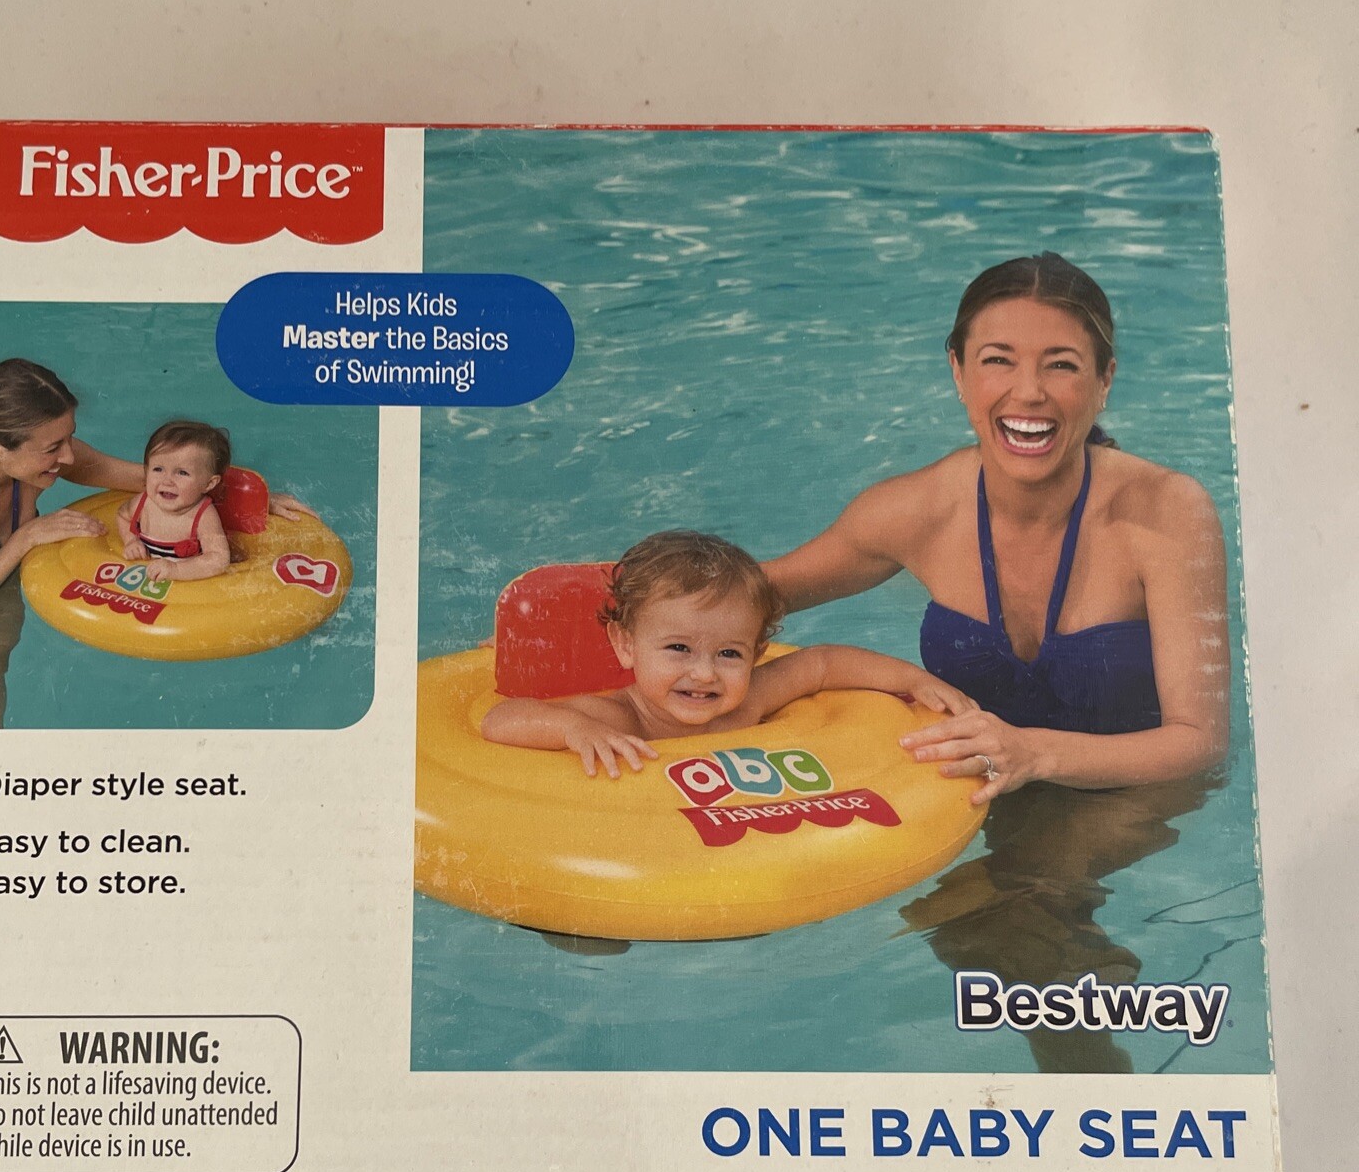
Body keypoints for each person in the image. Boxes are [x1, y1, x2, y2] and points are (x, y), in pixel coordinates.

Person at [763, 254, 1231, 1071]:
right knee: (963, 919)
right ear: (957, 372)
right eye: (998, 361)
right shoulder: (915, 509)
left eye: (1062, 365)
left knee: (993, 911)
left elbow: (1200, 741)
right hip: (981, 785)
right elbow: (737, 604)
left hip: (1132, 783)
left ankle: (1085, 1046)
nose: (1029, 392)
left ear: (1105, 380)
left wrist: (1036, 754)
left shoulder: (1163, 512)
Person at [0, 359, 315, 728]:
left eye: (69, 437)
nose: (69, 456)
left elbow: (151, 481)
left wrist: (244, 501)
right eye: (53, 448)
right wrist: (27, 537)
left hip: (1, 583)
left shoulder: (37, 461)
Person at [481, 530, 972, 776]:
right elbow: (500, 719)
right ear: (625, 645)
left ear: (757, 652)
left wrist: (914, 680)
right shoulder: (620, 717)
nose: (704, 673)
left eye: (730, 655)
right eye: (678, 648)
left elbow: (822, 664)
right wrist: (573, 729)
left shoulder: (749, 699)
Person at [118, 420, 232, 584]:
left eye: (182, 473)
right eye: (158, 469)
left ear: (208, 484)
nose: (167, 481)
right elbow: (122, 516)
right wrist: (131, 541)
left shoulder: (203, 515)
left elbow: (219, 559)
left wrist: (176, 570)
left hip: (187, 586)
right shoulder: (143, 503)